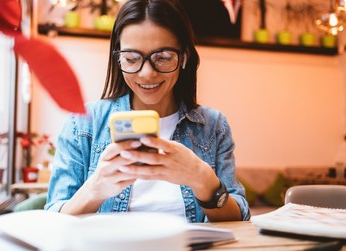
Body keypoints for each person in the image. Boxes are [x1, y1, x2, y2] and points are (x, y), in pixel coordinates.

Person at [45, 0, 250, 223]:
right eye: (132, 59)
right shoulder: (83, 124)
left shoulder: (213, 126)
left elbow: (238, 220)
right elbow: (52, 221)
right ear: (118, 57)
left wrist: (203, 180)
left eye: (162, 58)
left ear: (184, 57)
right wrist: (96, 188)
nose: (146, 73)